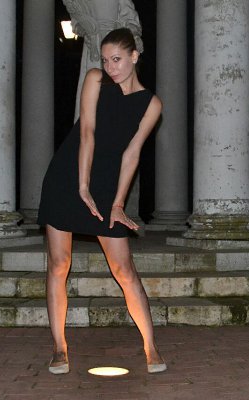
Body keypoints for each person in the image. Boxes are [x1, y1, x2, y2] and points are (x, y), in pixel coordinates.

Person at [37, 27, 166, 375]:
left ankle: (151, 347)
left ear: (135, 56)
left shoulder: (152, 104)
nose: (110, 67)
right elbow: (87, 133)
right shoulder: (95, 79)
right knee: (59, 264)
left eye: (117, 59)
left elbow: (132, 154)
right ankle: (59, 348)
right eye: (106, 60)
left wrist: (118, 203)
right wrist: (82, 186)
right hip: (68, 177)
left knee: (124, 269)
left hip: (107, 186)